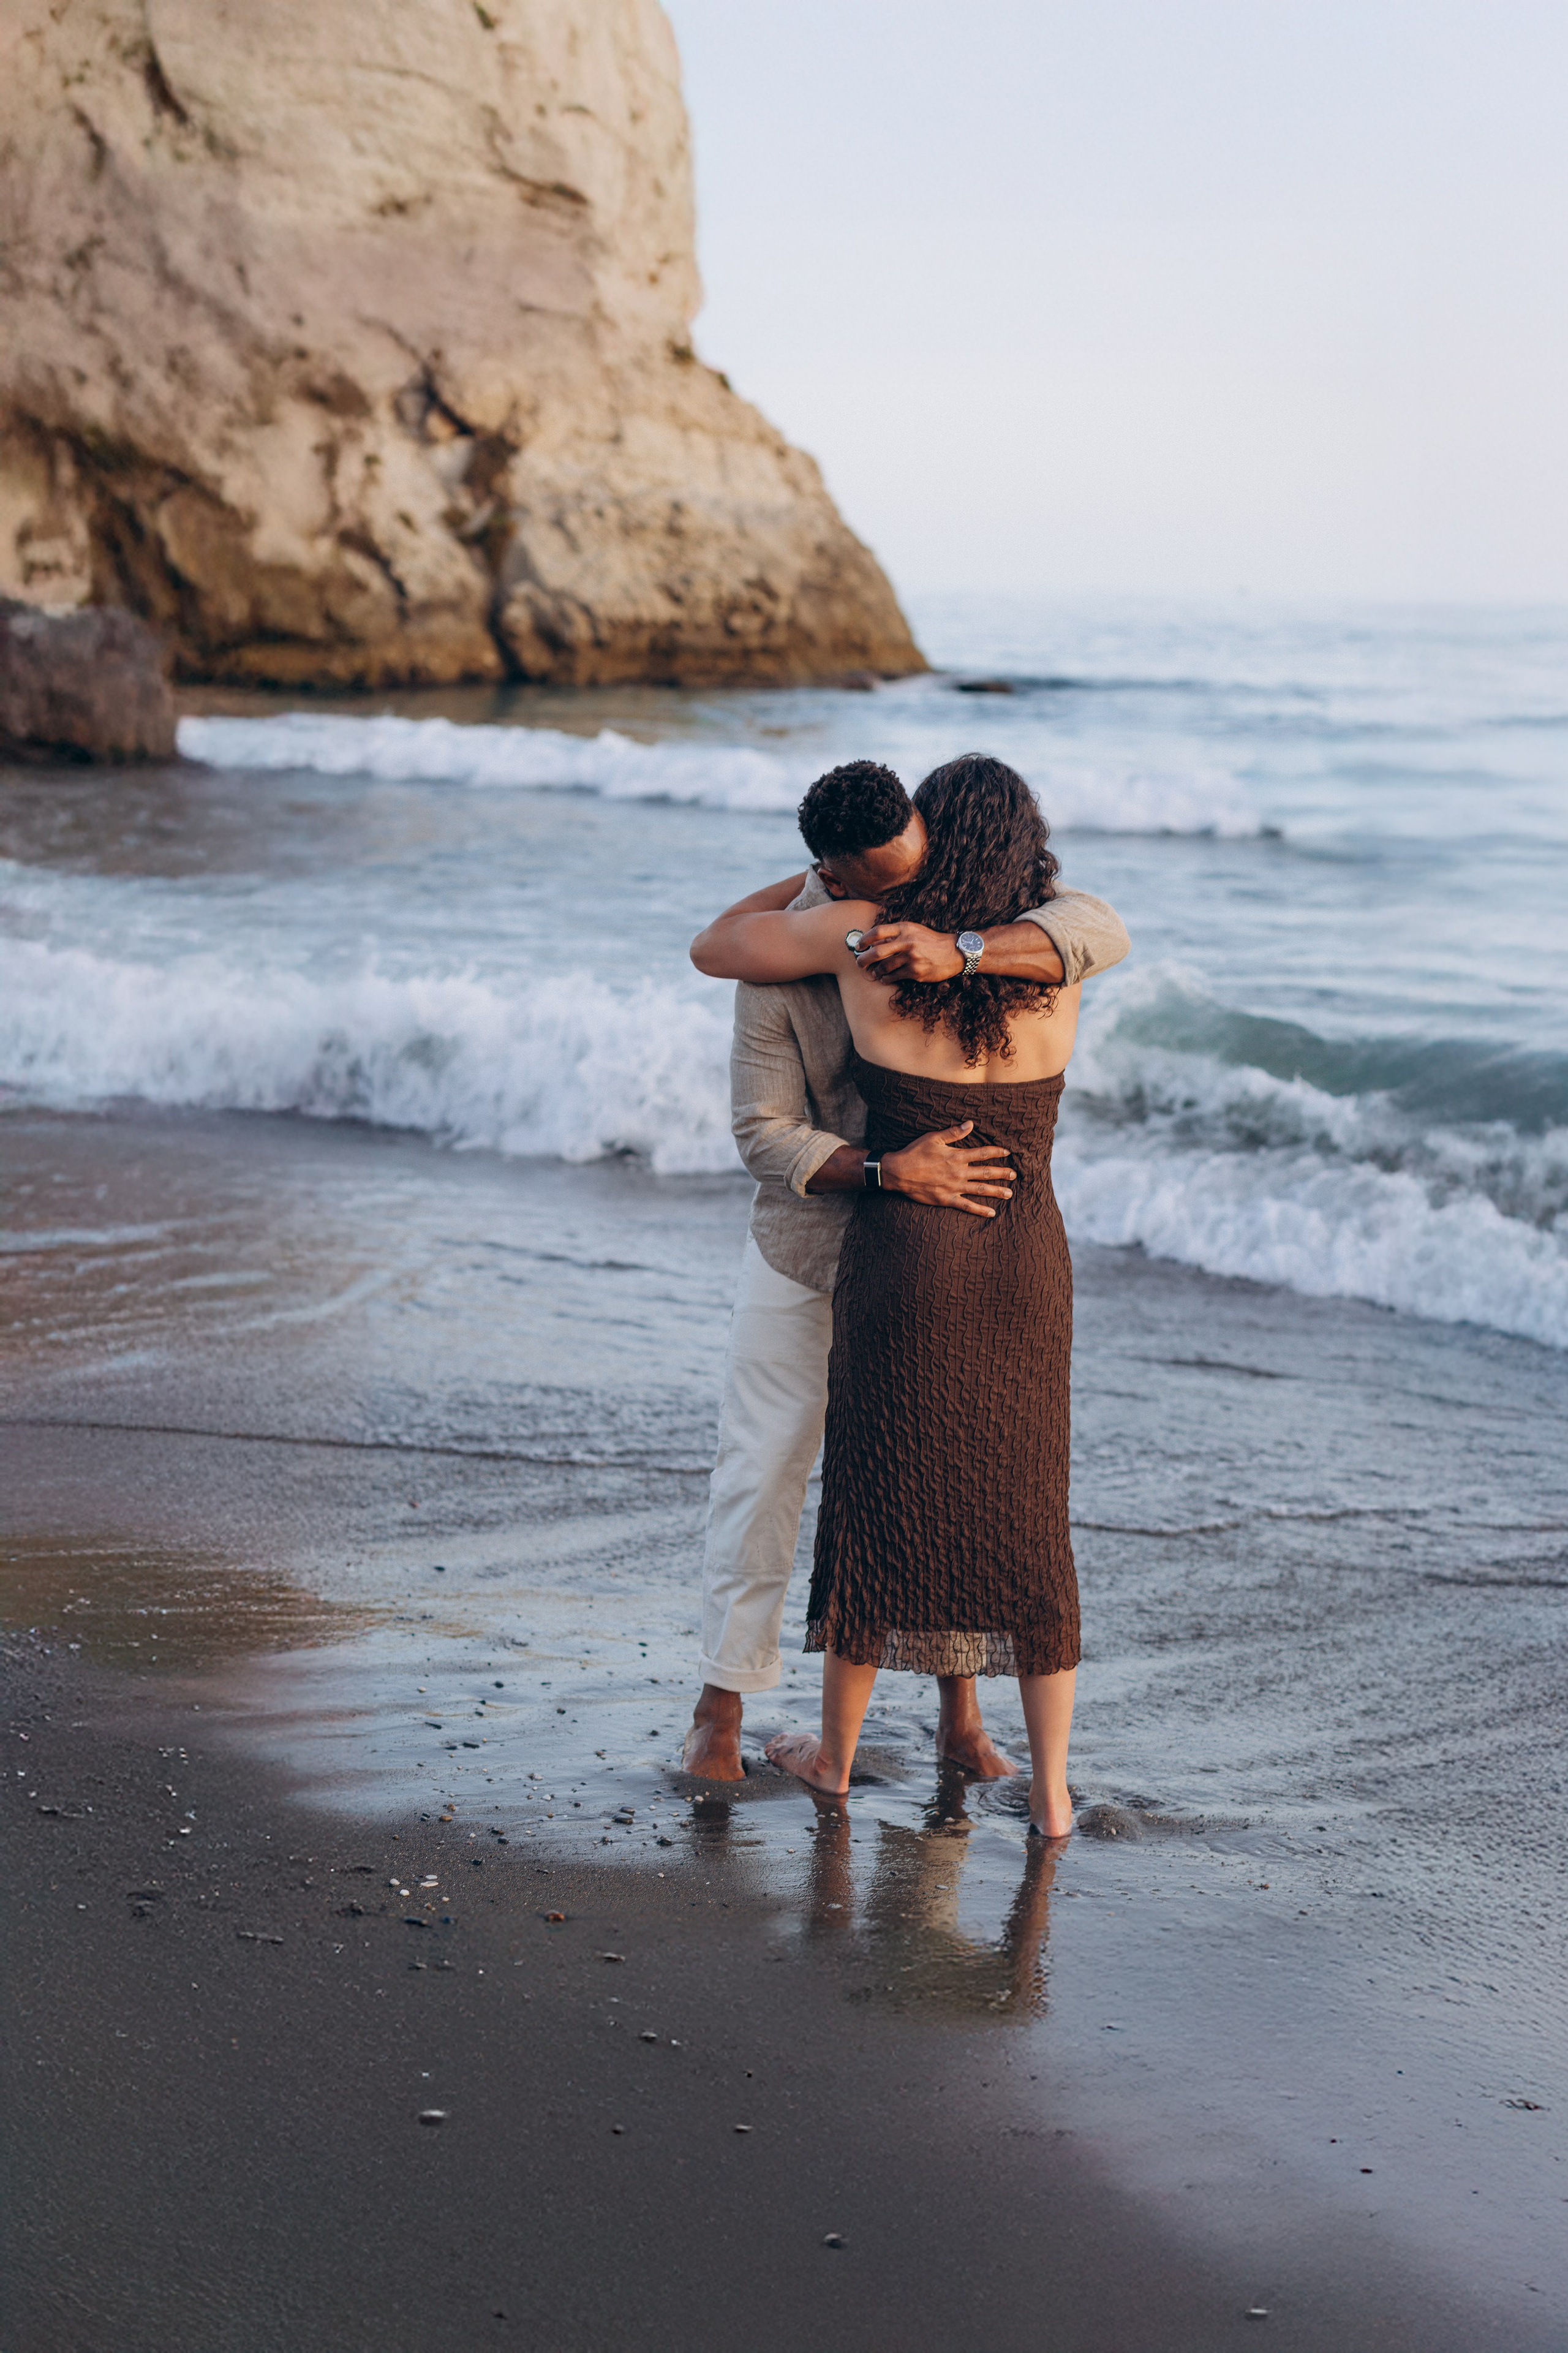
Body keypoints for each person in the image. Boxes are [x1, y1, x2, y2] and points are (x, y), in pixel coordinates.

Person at [683, 758, 1128, 1810]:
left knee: (926, 1483)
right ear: (835, 874)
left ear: (934, 840)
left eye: (908, 870)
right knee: (776, 1471)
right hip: (824, 1242)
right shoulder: (830, 937)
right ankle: (722, 1707)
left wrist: (957, 944)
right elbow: (762, 1132)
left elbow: (1100, 923)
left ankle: (948, 1723)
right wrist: (891, 1167)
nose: (892, 896)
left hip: (922, 1261)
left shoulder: (955, 939)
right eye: (868, 882)